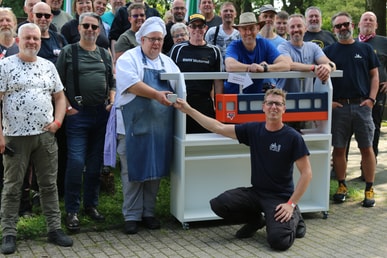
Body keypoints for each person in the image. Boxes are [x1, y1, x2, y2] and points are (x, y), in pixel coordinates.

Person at [173, 88, 312, 251]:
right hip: (257, 193)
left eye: (278, 104)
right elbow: (218, 127)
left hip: (279, 197)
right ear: (263, 106)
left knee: (279, 242)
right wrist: (188, 110)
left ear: (284, 108)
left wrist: (291, 203)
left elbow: (306, 173)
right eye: (270, 103)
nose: (273, 107)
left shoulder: (293, 137)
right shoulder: (253, 130)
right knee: (219, 204)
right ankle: (256, 221)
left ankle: (295, 217)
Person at [0, 23, 73, 255]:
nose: (32, 41)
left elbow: (60, 97)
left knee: (49, 186)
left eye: (35, 38)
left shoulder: (48, 66)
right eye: (27, 38)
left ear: (40, 41)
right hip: (15, 137)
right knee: (12, 187)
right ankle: (8, 233)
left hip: (45, 136)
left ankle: (54, 229)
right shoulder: (5, 66)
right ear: (18, 40)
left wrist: (57, 123)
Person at [114, 16, 181, 234]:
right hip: (133, 127)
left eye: (160, 40)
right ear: (141, 39)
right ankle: (131, 215)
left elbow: (180, 85)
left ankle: (148, 213)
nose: (156, 44)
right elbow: (132, 85)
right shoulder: (128, 59)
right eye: (152, 39)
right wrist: (156, 94)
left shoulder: (166, 61)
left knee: (154, 171)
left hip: (159, 128)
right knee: (132, 172)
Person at [56, 12, 115, 232]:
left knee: (94, 164)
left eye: (94, 27)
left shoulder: (104, 53)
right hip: (77, 115)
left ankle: (91, 205)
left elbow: (112, 82)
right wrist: (68, 107)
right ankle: (71, 210)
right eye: (86, 26)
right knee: (76, 162)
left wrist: (111, 100)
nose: (90, 30)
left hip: (101, 115)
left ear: (99, 30)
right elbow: (57, 84)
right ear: (79, 28)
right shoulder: (68, 52)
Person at [323, 11, 379, 207]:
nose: (342, 28)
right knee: (339, 149)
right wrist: (329, 102)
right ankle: (342, 185)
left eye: (345, 24)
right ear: (334, 30)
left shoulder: (365, 49)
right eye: (338, 26)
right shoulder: (329, 52)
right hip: (339, 107)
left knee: (367, 148)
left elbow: (374, 76)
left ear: (352, 25)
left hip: (362, 106)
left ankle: (369, 189)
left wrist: (372, 99)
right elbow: (321, 79)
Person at [169, 13, 223, 133]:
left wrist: (219, 107)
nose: (197, 29)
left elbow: (218, 80)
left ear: (206, 28)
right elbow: (170, 77)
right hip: (181, 101)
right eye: (194, 26)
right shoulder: (178, 49)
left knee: (205, 139)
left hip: (204, 102)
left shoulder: (214, 51)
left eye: (200, 26)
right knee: (180, 140)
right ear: (188, 28)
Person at [224, 12, 289, 94]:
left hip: (256, 96)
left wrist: (265, 68)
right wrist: (253, 67)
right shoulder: (234, 45)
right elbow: (230, 66)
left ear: (258, 29)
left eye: (251, 28)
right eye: (244, 29)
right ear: (239, 31)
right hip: (233, 96)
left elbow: (285, 65)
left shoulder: (264, 44)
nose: (248, 32)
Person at [356, 11, 387, 166]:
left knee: (373, 130)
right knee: (348, 133)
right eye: (365, 20)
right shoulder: (351, 42)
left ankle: (368, 168)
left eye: (371, 20)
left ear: (376, 25)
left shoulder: (384, 42)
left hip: (378, 95)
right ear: (359, 24)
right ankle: (339, 170)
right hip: (354, 95)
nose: (368, 22)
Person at [277, 14, 335, 93]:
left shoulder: (313, 47)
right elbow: (289, 65)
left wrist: (327, 67)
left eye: (299, 26)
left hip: (308, 99)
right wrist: (314, 68)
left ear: (305, 28)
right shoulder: (283, 47)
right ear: (287, 30)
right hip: (285, 100)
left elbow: (331, 63)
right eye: (292, 27)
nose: (296, 29)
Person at [204, 1, 240, 69]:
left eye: (231, 11)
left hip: (237, 73)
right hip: (216, 74)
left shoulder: (240, 32)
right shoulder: (212, 32)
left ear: (235, 14)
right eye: (225, 11)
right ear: (220, 14)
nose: (228, 13)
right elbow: (205, 53)